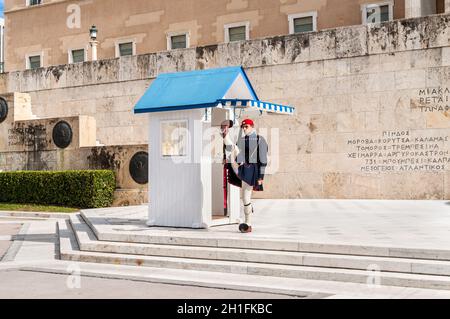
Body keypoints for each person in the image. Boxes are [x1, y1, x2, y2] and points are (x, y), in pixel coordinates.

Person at [222, 118, 268, 233]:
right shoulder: (241, 140)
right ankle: (225, 136)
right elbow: (232, 150)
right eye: (243, 127)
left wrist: (261, 177)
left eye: (246, 127)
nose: (244, 129)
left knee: (246, 197)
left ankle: (248, 223)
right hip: (241, 167)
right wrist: (225, 158)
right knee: (233, 147)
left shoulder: (260, 140)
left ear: (252, 126)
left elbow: (263, 160)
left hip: (251, 170)